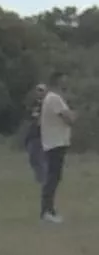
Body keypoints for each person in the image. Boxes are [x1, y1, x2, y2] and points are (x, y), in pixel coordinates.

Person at [39, 74, 75, 223]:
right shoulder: (54, 98)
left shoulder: (52, 98)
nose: (66, 83)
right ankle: (47, 211)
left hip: (55, 142)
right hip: (55, 142)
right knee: (52, 177)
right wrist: (73, 116)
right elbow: (69, 118)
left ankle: (49, 209)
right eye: (63, 80)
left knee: (54, 176)